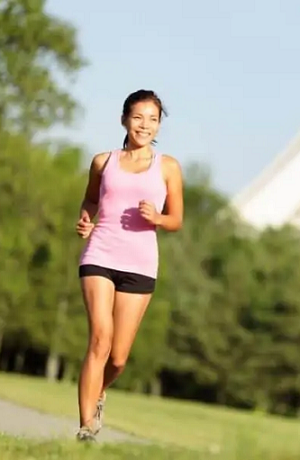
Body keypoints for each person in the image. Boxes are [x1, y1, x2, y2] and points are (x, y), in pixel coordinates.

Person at [74, 89, 184, 441]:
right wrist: (85, 219)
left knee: (118, 358)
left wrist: (158, 218)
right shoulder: (102, 161)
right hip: (100, 254)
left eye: (153, 119)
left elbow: (177, 218)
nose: (145, 125)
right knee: (99, 341)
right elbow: (91, 198)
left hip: (140, 263)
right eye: (138, 117)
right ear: (124, 119)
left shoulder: (167, 166)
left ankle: (99, 391)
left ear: (159, 125)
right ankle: (86, 427)